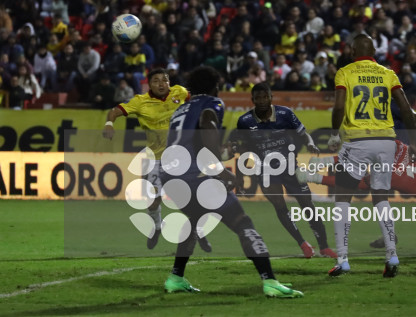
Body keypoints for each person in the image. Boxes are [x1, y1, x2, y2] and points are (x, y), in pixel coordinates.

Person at [162, 67, 302, 298]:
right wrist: (219, 170)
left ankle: (176, 277)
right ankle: (270, 281)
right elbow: (207, 125)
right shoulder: (213, 102)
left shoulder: (180, 110)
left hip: (170, 178)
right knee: (242, 222)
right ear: (215, 85)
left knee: (195, 219)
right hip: (194, 176)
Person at [328, 34, 416, 277]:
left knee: (342, 199)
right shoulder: (388, 73)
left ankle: (343, 259)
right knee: (381, 198)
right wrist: (415, 143)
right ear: (374, 50)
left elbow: (338, 107)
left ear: (353, 49)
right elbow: (406, 109)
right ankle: (392, 254)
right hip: (386, 141)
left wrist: (335, 134)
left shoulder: (345, 72)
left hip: (358, 140)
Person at [103, 68, 211, 252]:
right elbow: (114, 112)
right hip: (156, 159)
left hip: (182, 156)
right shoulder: (140, 102)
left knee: (192, 198)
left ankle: (200, 232)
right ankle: (157, 227)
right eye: (156, 81)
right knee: (153, 200)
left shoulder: (180, 92)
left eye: (165, 80)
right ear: (149, 84)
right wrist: (109, 124)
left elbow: (200, 103)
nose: (162, 84)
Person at [231, 83, 336, 259]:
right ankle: (303, 244)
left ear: (271, 97)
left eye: (266, 96)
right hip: (265, 171)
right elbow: (243, 151)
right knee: (280, 207)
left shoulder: (285, 113)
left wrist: (310, 143)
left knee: (307, 205)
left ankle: (324, 247)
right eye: (258, 97)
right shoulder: (245, 121)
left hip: (290, 167)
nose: (262, 100)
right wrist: (240, 177)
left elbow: (304, 134)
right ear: (253, 100)